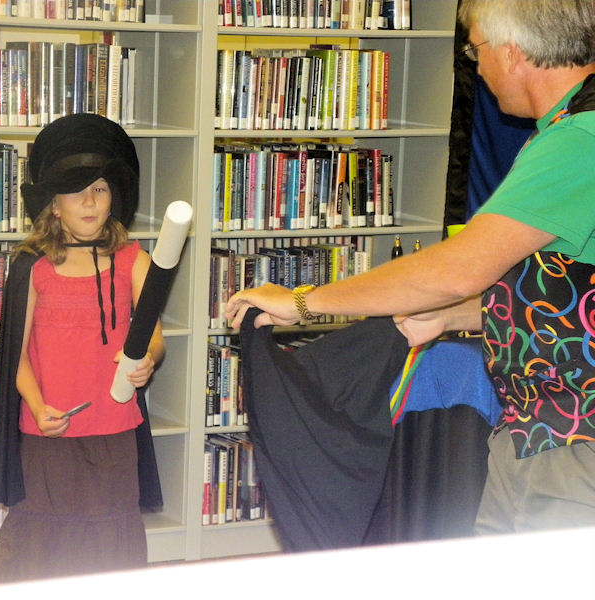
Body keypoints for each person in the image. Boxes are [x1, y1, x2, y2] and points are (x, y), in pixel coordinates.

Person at [226, 0, 595, 535]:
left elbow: (457, 270)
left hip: (574, 440)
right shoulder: (565, 131)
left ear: (513, 52)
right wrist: (450, 317)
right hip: (535, 433)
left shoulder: (579, 142)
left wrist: (303, 302)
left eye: (476, 49)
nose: (477, 66)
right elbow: (558, 286)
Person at [0, 113, 165, 580]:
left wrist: (147, 358)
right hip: (49, 429)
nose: (89, 201)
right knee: (44, 539)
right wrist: (37, 405)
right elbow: (15, 355)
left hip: (114, 427)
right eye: (76, 191)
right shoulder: (33, 266)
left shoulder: (133, 260)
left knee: (109, 539)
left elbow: (154, 336)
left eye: (100, 189)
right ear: (53, 205)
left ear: (113, 199)